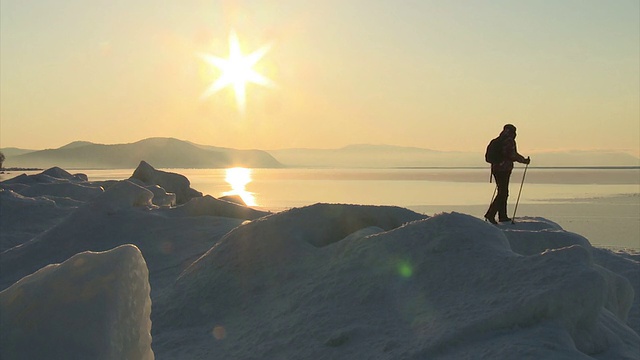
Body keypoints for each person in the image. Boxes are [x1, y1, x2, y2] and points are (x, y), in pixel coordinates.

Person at [484, 124, 530, 224]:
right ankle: (491, 214)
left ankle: (502, 215)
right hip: (504, 169)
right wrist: (524, 160)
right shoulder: (508, 141)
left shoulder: (497, 140)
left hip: (496, 169)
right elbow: (512, 154)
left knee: (502, 191)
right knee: (503, 193)